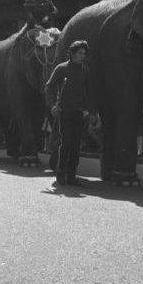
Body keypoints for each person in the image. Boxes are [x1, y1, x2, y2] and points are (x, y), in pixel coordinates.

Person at [45, 40, 92, 186]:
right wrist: (53, 105)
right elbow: (49, 87)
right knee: (65, 143)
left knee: (76, 145)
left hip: (79, 112)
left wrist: (88, 110)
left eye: (84, 53)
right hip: (64, 111)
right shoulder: (61, 68)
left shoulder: (85, 70)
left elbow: (88, 92)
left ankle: (71, 175)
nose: (82, 56)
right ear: (72, 53)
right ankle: (60, 173)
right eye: (80, 53)